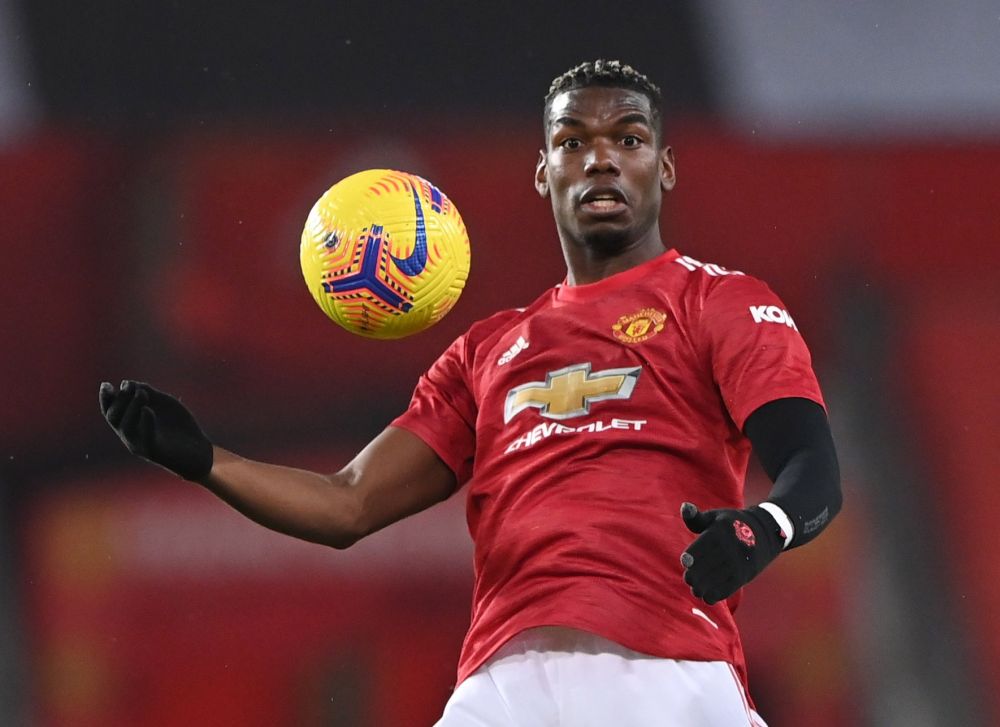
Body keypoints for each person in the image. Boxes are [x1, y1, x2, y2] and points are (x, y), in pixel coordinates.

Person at [100, 59, 842, 726]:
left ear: (665, 167)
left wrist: (761, 527)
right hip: (503, 685)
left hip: (662, 670)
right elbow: (347, 503)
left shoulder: (719, 302)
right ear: (543, 172)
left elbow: (814, 470)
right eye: (573, 142)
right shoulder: (487, 351)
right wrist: (203, 459)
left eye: (629, 138)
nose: (601, 159)